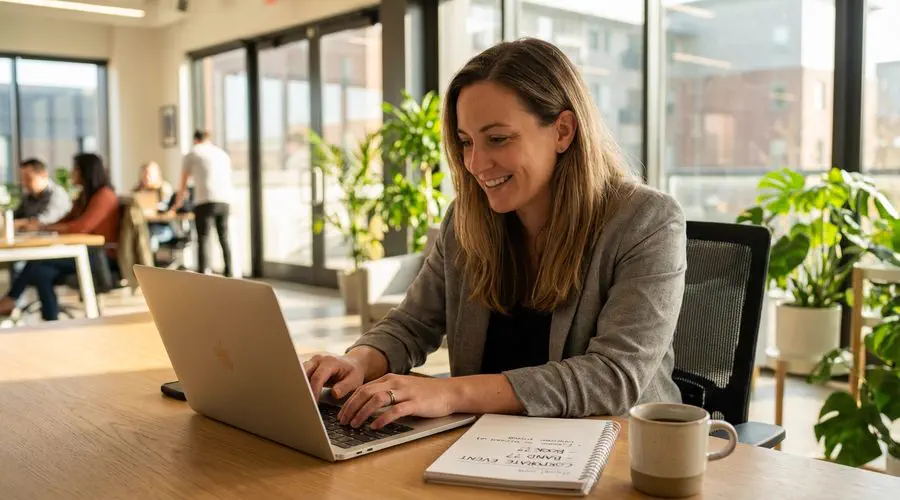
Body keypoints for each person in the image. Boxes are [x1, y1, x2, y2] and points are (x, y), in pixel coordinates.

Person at [303, 38, 687, 430]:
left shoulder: (647, 220)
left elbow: (612, 377)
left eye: (498, 139)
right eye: (466, 142)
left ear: (563, 131)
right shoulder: (466, 220)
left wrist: (451, 393)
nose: (475, 163)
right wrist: (357, 361)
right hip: (484, 443)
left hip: (614, 446)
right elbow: (412, 324)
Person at [0, 153, 119, 321]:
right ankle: (51, 321)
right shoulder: (85, 196)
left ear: (86, 171)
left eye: (75, 169)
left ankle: (11, 299)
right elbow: (66, 220)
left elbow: (81, 227)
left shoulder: (104, 195)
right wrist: (43, 227)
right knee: (41, 272)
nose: (71, 173)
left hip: (100, 257)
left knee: (38, 260)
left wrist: (43, 227)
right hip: (84, 251)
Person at [173, 130, 234, 277]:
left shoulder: (192, 154)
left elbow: (183, 184)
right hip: (225, 200)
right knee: (224, 237)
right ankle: (230, 272)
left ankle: (203, 274)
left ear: (195, 140)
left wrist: (176, 205)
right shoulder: (222, 154)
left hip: (204, 200)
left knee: (203, 238)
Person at [12, 158, 72, 231]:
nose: (24, 184)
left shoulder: (57, 194)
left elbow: (47, 219)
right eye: (22, 179)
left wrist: (23, 222)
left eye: (28, 179)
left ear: (44, 175)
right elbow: (15, 216)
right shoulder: (29, 196)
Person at [133, 161, 175, 249]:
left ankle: (149, 258)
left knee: (149, 235)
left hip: (162, 227)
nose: (146, 177)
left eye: (149, 174)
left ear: (157, 174)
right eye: (144, 174)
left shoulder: (164, 189)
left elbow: (168, 211)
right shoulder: (137, 191)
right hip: (143, 225)